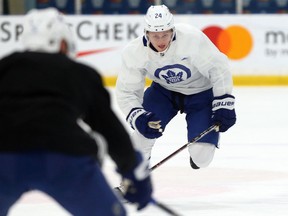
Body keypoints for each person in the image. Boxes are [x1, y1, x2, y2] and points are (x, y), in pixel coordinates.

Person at [0, 8, 152, 216]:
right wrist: (132, 170)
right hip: (64, 158)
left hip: (5, 157)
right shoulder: (80, 73)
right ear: (63, 42)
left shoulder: (4, 68)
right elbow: (110, 129)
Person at [115, 5, 236, 170]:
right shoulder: (134, 52)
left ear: (173, 31)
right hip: (163, 93)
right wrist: (138, 116)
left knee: (202, 158)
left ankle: (198, 153)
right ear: (146, 33)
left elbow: (218, 68)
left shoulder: (191, 38)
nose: (161, 41)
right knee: (141, 137)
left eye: (165, 34)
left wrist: (224, 102)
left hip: (201, 94)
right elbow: (126, 92)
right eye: (155, 36)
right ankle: (136, 175)